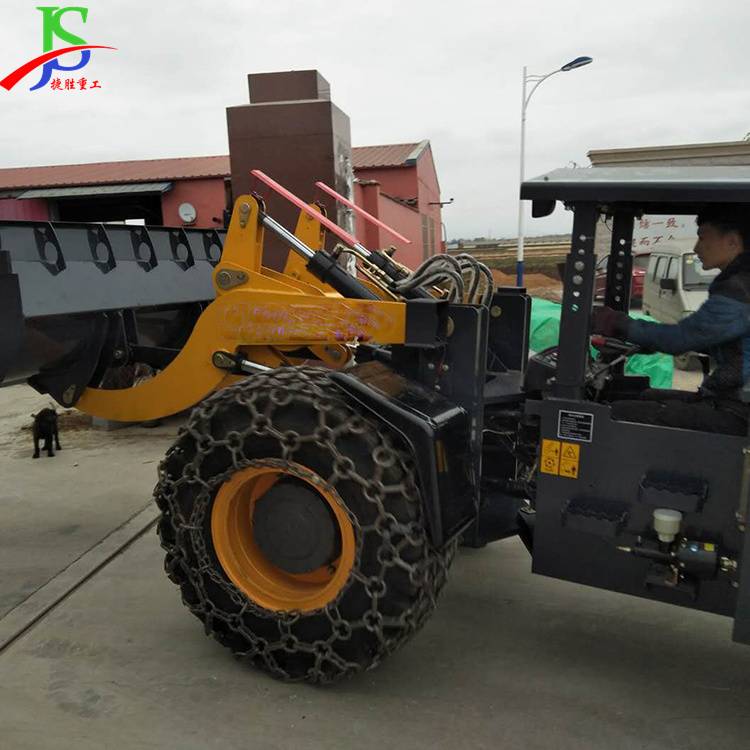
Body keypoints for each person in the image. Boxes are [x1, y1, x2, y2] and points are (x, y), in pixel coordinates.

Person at [592, 205, 750, 435]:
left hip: (737, 412)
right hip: (730, 400)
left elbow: (682, 338)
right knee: (643, 396)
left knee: (615, 413)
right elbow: (718, 342)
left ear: (732, 242)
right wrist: (648, 341)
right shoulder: (739, 284)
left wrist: (617, 322)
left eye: (702, 237)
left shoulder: (740, 290)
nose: (696, 248)